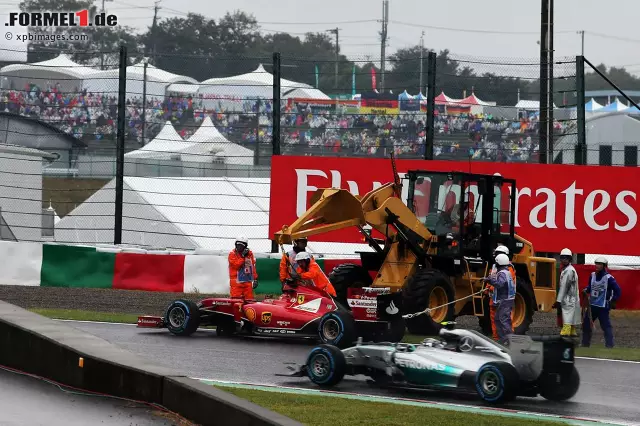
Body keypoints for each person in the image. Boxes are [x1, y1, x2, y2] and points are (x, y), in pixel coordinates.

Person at [581, 257, 621, 348]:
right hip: (592, 306)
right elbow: (590, 287)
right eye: (596, 263)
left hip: (603, 307)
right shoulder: (592, 275)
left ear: (604, 266)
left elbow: (618, 290)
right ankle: (585, 344)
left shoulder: (609, 278)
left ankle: (609, 345)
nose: (597, 266)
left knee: (606, 326)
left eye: (600, 264)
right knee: (586, 324)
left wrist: (613, 300)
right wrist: (586, 290)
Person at [487, 245, 516, 340]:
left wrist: (490, 284)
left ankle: (509, 339)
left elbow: (501, 283)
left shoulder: (508, 269)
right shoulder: (495, 267)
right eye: (497, 254)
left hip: (503, 298)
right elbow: (492, 277)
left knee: (504, 319)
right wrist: (488, 288)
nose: (497, 257)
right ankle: (497, 338)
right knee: (495, 319)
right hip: (495, 297)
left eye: (499, 254)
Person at [553, 248, 580, 337]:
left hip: (568, 297)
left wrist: (559, 300)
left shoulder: (568, 271)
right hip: (572, 296)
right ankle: (572, 330)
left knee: (567, 313)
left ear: (569, 259)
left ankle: (566, 331)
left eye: (566, 258)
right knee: (572, 313)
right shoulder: (569, 269)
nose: (564, 260)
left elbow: (564, 286)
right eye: (562, 258)